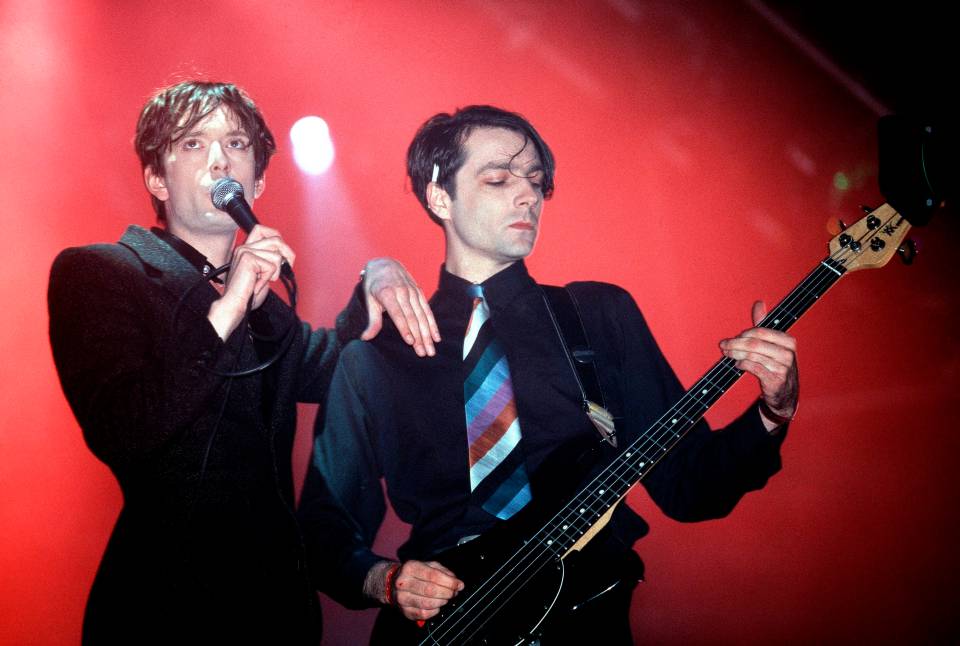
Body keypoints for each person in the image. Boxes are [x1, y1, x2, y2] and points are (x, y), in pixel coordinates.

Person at [298, 105, 799, 644]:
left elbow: (691, 488)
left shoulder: (597, 316)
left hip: (586, 620)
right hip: (444, 627)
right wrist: (387, 580)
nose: (527, 195)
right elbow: (323, 533)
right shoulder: (376, 356)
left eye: (536, 181)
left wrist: (774, 410)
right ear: (440, 197)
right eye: (498, 178)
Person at [47, 80, 439, 645]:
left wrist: (372, 276)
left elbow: (336, 369)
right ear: (155, 177)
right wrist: (228, 306)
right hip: (162, 608)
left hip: (275, 611)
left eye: (235, 144)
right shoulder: (102, 272)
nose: (217, 159)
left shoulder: (266, 308)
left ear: (256, 180)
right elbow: (123, 427)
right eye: (190, 144)